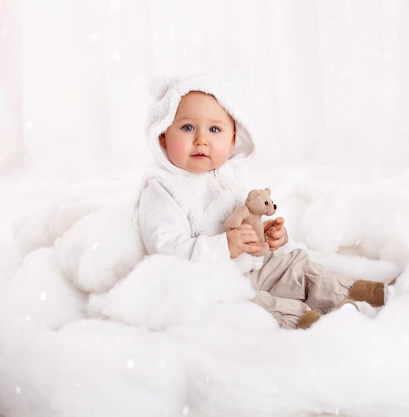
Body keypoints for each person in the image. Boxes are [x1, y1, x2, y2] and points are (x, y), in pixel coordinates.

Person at [137, 75, 391, 329]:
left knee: (296, 265)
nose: (201, 139)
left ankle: (352, 292)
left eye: (214, 130)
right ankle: (304, 320)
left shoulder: (227, 176)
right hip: (213, 281)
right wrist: (224, 247)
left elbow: (248, 217)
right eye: (188, 127)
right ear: (162, 136)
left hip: (254, 265)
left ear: (233, 140)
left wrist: (268, 238)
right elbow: (165, 247)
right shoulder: (163, 187)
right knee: (249, 304)